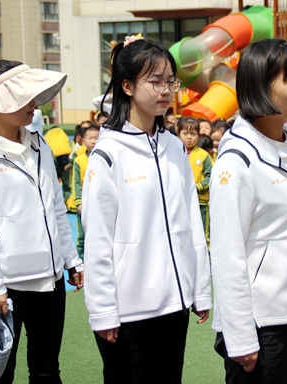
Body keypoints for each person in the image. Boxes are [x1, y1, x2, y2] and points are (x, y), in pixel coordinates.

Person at [82, 36, 211, 383]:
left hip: (175, 303)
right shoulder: (108, 153)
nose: (166, 90)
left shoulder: (174, 147)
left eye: (170, 81)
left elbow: (191, 223)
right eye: (155, 81)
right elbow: (97, 239)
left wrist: (200, 289)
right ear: (126, 86)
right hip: (128, 310)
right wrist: (103, 310)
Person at [0, 59, 84, 383]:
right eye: (25, 97)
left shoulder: (38, 143)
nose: (34, 104)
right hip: (4, 285)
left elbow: (56, 208)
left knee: (47, 370)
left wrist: (71, 261)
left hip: (51, 279)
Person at [210, 38, 287, 383]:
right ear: (259, 85)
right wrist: (239, 334)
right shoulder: (237, 159)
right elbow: (227, 253)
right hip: (263, 321)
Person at [178, 117, 213, 247]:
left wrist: (197, 187)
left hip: (200, 203)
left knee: (202, 234)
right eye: (185, 133)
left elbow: (210, 177)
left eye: (193, 134)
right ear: (178, 134)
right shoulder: (175, 153)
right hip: (181, 201)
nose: (189, 137)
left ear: (198, 136)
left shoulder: (204, 155)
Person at [72, 124, 99, 260]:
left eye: (96, 138)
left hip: (98, 203)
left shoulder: (102, 159)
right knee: (82, 235)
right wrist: (78, 202)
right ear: (83, 140)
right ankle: (81, 259)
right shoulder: (78, 160)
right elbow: (75, 182)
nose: (93, 141)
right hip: (84, 204)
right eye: (90, 138)